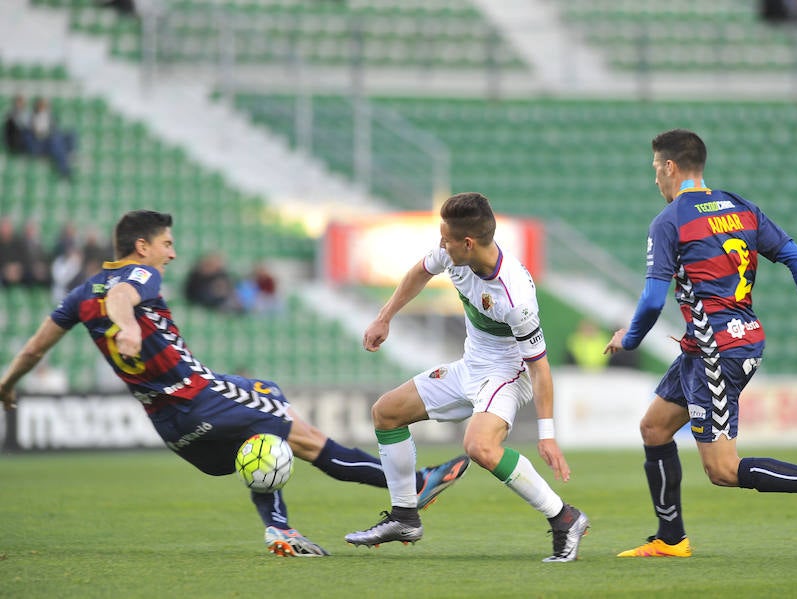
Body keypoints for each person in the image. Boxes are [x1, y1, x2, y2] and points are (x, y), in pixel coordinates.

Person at [0, 210, 469, 557]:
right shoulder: (136, 273)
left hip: (171, 426)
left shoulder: (81, 295)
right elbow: (123, 297)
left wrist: (7, 384)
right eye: (166, 243)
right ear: (142, 246)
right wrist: (125, 326)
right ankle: (414, 484)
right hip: (198, 395)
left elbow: (35, 348)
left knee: (265, 417)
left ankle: (280, 528)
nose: (173, 252)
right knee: (303, 436)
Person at [604, 129, 797, 558]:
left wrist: (628, 338)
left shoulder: (669, 222)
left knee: (723, 469)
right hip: (709, 345)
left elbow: (652, 299)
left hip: (717, 352)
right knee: (654, 428)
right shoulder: (738, 207)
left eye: (655, 169)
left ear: (670, 167)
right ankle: (671, 539)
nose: (655, 179)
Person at [344, 192, 589, 562]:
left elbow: (540, 367)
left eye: (447, 239)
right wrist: (384, 317)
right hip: (470, 366)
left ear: (468, 243)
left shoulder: (515, 297)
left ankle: (564, 517)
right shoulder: (453, 253)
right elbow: (418, 272)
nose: (441, 244)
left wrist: (547, 435)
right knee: (386, 412)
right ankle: (405, 517)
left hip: (507, 373)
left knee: (480, 446)